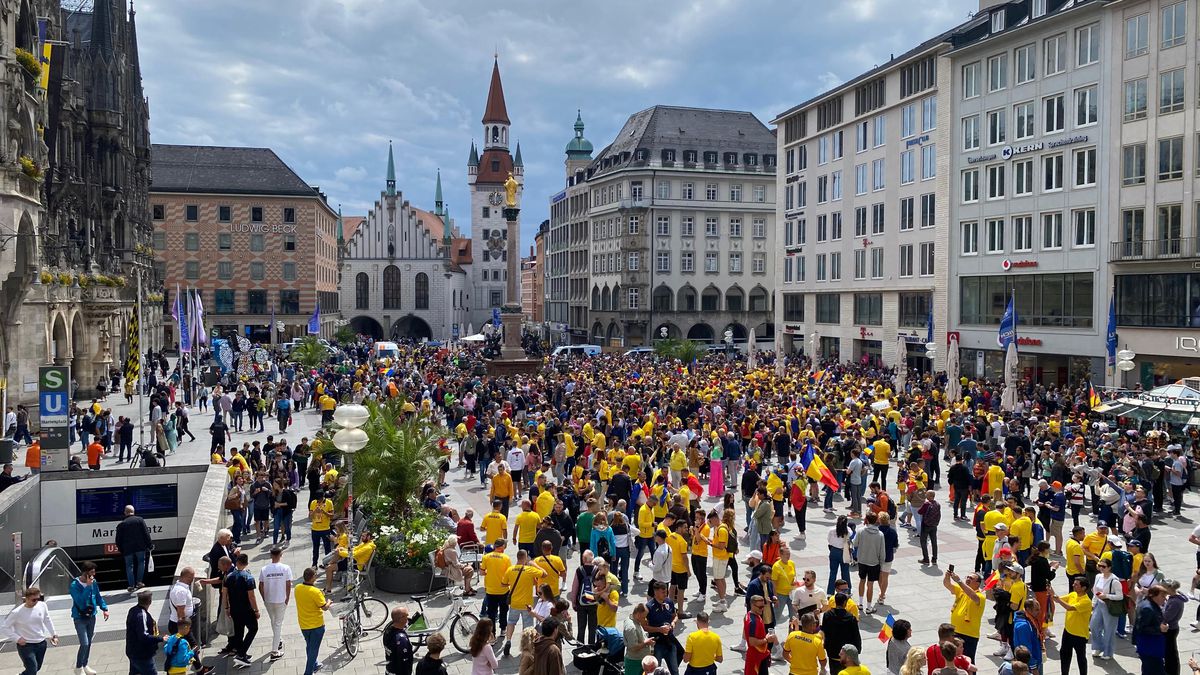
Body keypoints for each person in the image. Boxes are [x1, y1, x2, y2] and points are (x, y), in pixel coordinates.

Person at [1, 587, 58, 675]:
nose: (36, 602)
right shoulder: (17, 612)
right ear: (26, 598)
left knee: (37, 668)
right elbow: (5, 627)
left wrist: (54, 634)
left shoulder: (42, 605)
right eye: (33, 600)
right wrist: (17, 638)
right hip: (26, 645)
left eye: (38, 599)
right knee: (32, 669)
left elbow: (47, 620)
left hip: (41, 643)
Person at [69, 560, 108, 675]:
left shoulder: (93, 582)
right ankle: (78, 667)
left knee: (89, 642)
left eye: (94, 572)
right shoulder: (74, 585)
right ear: (85, 573)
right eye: (91, 573)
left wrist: (104, 608)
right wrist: (88, 587)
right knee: (84, 643)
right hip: (79, 617)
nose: (93, 575)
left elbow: (98, 596)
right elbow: (81, 602)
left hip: (91, 616)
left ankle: (85, 664)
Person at [222, 552, 260, 668]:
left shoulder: (229, 576)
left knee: (239, 631)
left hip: (234, 609)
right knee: (253, 628)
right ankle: (241, 654)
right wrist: (256, 610)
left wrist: (226, 607)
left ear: (237, 562)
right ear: (247, 563)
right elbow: (251, 596)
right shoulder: (248, 577)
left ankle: (241, 652)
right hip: (246, 609)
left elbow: (224, 594)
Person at [1051, 576, 1092, 675]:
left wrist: (1058, 599)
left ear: (1083, 588)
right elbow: (1057, 599)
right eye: (1074, 583)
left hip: (1079, 635)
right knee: (1065, 655)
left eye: (1076, 584)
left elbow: (1069, 607)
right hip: (1068, 632)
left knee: (1081, 658)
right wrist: (1050, 589)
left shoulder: (1086, 601)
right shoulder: (1073, 594)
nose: (1073, 585)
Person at [258, 546, 292, 661]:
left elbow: (260, 585)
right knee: (277, 624)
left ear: (271, 555)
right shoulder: (286, 568)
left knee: (274, 621)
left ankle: (279, 639)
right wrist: (287, 597)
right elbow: (288, 584)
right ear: (281, 555)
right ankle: (274, 651)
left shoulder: (264, 569)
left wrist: (264, 597)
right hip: (281, 600)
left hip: (269, 600)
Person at [295, 567, 331, 675]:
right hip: (316, 626)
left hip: (303, 625)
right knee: (314, 650)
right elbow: (324, 607)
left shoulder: (297, 588)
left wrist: (319, 594)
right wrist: (329, 601)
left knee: (310, 646)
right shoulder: (316, 592)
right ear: (313, 577)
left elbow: (308, 596)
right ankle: (308, 672)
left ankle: (315, 664)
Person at [942, 569, 984, 662]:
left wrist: (959, 581)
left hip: (969, 635)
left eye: (971, 578)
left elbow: (973, 596)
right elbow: (947, 585)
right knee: (953, 658)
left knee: (967, 660)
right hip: (955, 631)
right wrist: (947, 576)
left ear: (977, 583)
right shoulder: (961, 590)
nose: (968, 579)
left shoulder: (980, 596)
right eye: (967, 577)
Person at [644, 581, 681, 675]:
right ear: (656, 592)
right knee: (656, 670)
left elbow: (675, 615)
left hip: (670, 640)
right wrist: (659, 629)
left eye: (666, 592)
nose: (665, 594)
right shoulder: (649, 607)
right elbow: (644, 627)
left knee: (675, 670)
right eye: (663, 592)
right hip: (657, 643)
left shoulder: (669, 602)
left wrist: (673, 623)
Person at [114, 505, 154, 593]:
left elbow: (118, 539)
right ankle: (139, 582)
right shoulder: (140, 520)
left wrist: (120, 549)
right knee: (141, 562)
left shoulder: (122, 524)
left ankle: (131, 585)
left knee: (129, 566)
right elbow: (146, 533)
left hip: (127, 549)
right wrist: (150, 545)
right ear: (134, 511)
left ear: (125, 512)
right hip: (140, 547)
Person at [125, 591, 165, 675]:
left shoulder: (132, 610)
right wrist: (161, 638)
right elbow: (144, 636)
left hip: (132, 651)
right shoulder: (142, 615)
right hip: (142, 654)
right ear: (150, 601)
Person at [1090, 558, 1122, 661]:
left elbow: (1120, 596)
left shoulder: (1114, 580)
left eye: (1103, 566)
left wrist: (1106, 596)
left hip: (1110, 606)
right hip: (1099, 604)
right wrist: (1093, 603)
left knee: (1109, 630)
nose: (1101, 568)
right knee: (1094, 626)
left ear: (1109, 567)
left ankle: (1108, 652)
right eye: (1099, 566)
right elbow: (1095, 591)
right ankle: (1098, 647)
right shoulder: (1098, 576)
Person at [821, 593, 861, 675]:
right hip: (847, 654)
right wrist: (857, 649)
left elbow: (824, 631)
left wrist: (825, 646)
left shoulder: (827, 615)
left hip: (832, 651)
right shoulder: (851, 618)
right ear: (845, 603)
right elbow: (856, 635)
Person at [1135, 585, 1169, 675]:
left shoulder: (1149, 603)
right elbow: (1141, 628)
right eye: (1162, 596)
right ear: (1153, 595)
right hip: (1150, 647)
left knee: (1148, 671)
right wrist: (1159, 628)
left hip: (1150, 647)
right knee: (1158, 671)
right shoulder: (1148, 608)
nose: (1165, 599)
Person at [856, 512, 884, 613]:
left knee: (862, 581)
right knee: (870, 584)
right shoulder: (880, 534)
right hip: (874, 562)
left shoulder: (861, 531)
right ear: (876, 520)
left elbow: (855, 543)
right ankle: (868, 607)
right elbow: (882, 551)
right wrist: (881, 564)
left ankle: (860, 603)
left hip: (862, 560)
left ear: (867, 520)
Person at [782, 611, 826, 675]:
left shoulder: (792, 635)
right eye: (815, 622)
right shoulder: (817, 642)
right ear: (812, 625)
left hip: (793, 672)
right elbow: (823, 662)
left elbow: (785, 654)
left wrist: (794, 663)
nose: (816, 624)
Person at [624, 604, 656, 675]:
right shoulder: (631, 628)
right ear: (638, 614)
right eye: (644, 617)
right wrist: (646, 642)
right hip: (635, 663)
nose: (645, 619)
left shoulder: (633, 619)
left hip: (640, 660)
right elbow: (633, 647)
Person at [383, 606, 415, 675]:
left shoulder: (388, 631)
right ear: (401, 619)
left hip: (389, 670)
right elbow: (404, 661)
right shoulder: (401, 639)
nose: (408, 618)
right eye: (406, 616)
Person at [917, 490, 941, 565]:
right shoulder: (937, 504)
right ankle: (934, 559)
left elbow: (919, 512)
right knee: (934, 542)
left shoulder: (926, 504)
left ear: (930, 496)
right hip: (934, 525)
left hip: (926, 525)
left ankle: (926, 559)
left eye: (926, 494)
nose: (925, 495)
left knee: (923, 541)